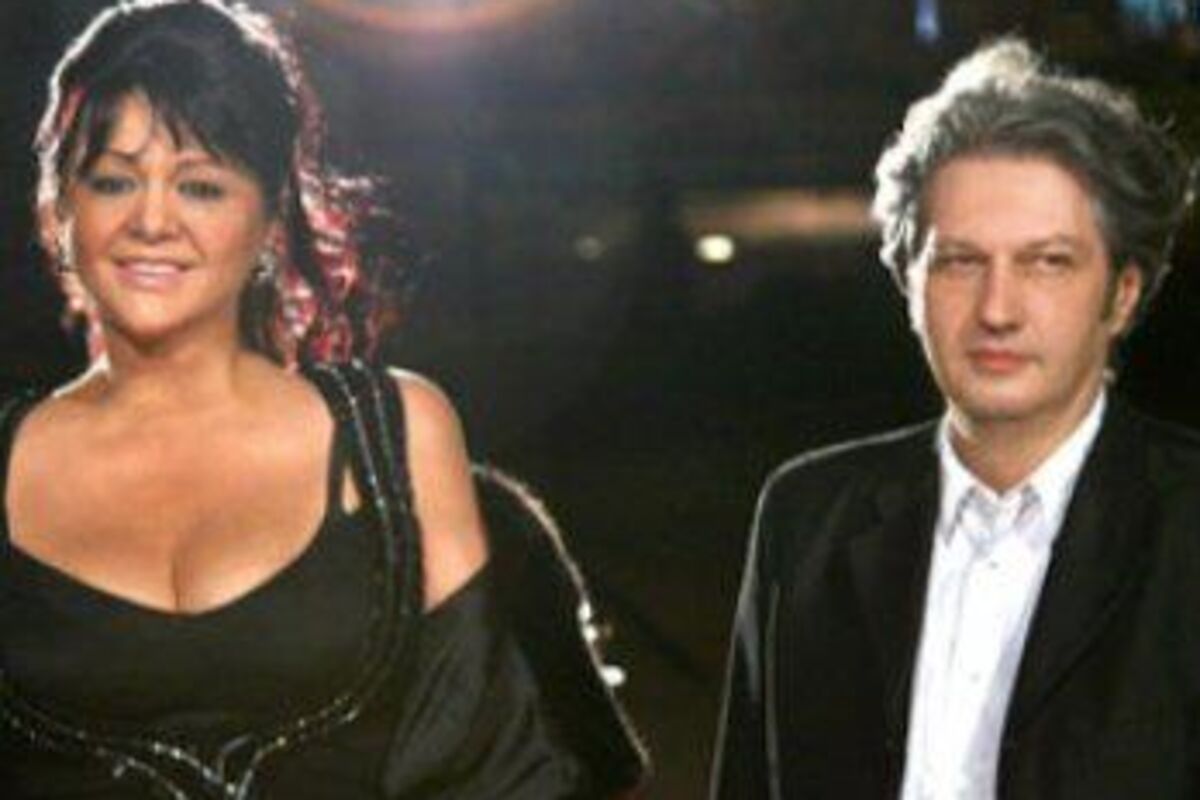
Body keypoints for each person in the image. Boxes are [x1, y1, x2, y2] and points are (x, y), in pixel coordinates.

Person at [0, 1, 646, 797]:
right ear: (59, 208)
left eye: (201, 185)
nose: (152, 219)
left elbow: (496, 769)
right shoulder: (9, 460)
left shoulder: (396, 436)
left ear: (272, 218)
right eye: (112, 180)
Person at [711, 37, 1198, 799]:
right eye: (961, 261)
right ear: (908, 281)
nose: (997, 310)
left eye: (1047, 262)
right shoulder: (806, 519)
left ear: (1124, 293)